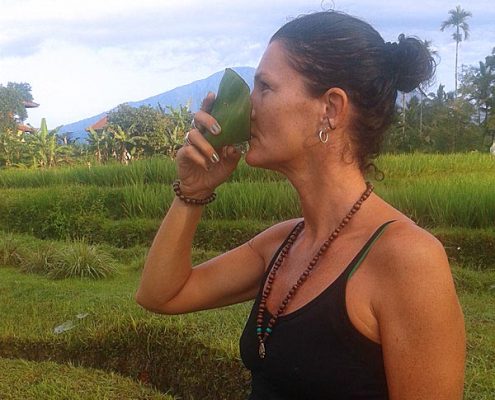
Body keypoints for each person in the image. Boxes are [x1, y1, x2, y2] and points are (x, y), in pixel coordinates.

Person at [136, 11, 466, 400]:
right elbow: (160, 294)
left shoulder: (409, 260)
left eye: (265, 87)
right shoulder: (282, 244)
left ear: (331, 108)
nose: (248, 105)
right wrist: (192, 192)